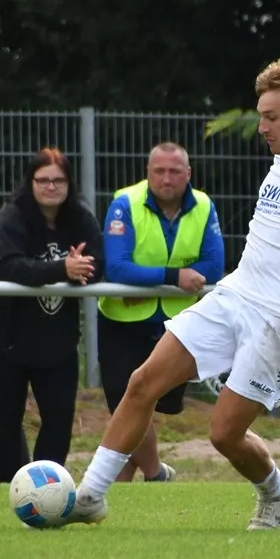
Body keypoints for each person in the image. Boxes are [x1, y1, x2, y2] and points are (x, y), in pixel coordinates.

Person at [69, 60, 280, 530]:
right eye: (261, 116)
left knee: (224, 434)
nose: (261, 127)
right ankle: (89, 496)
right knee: (141, 383)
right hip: (235, 295)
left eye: (270, 116)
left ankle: (276, 492)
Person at [0, 147, 103, 481]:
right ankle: (7, 489)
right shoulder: (11, 217)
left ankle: (47, 489)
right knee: (6, 421)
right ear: (30, 182)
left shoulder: (81, 218)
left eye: (58, 180)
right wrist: (63, 268)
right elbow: (8, 266)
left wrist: (81, 269)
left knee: (59, 419)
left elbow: (98, 264)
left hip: (56, 340)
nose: (50, 187)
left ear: (69, 184)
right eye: (42, 180)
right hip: (3, 337)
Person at [98, 142, 225, 483]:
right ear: (147, 172)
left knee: (148, 405)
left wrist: (153, 279)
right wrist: (174, 277)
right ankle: (154, 474)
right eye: (159, 171)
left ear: (188, 174)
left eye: (174, 171)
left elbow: (214, 266)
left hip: (176, 325)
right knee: (128, 404)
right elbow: (117, 268)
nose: (166, 178)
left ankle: (126, 487)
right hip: (122, 324)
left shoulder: (203, 206)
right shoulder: (125, 203)